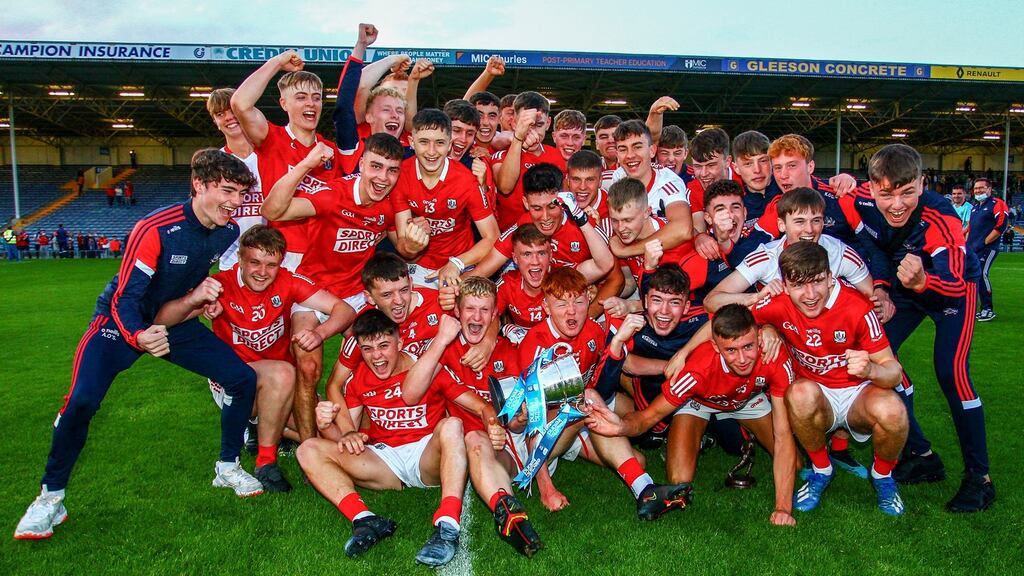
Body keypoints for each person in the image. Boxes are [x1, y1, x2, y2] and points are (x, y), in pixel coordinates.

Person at [14, 149, 263, 541]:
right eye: (227, 191)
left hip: (174, 323)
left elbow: (193, 277)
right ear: (198, 185)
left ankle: (228, 467)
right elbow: (125, 298)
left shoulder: (227, 231)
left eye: (240, 193)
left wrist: (202, 299)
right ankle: (50, 498)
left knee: (241, 378)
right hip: (120, 322)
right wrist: (138, 335)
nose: (235, 203)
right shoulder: (155, 228)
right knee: (81, 402)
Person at [155, 225, 357, 492]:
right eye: (254, 263)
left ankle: (262, 430)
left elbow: (343, 309)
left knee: (325, 427)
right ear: (239, 259)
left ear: (280, 263)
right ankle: (266, 462)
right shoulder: (222, 286)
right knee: (284, 372)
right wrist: (196, 300)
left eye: (271, 265)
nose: (263, 272)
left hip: (280, 390)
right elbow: (163, 318)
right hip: (237, 387)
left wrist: (320, 334)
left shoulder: (289, 280)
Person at [854, 144, 994, 512]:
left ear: (922, 182)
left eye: (907, 192)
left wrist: (922, 283)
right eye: (886, 193)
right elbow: (879, 245)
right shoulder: (861, 199)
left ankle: (980, 480)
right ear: (871, 188)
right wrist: (883, 286)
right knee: (877, 357)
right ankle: (922, 455)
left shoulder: (940, 215)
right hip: (907, 288)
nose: (896, 204)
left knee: (952, 373)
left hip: (950, 291)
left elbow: (954, 279)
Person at [297, 310, 497, 566]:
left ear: (399, 343)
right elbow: (348, 441)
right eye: (367, 349)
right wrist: (325, 425)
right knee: (307, 449)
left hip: (426, 456)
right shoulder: (359, 379)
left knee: (452, 425)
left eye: (383, 346)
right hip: (385, 459)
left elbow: (478, 405)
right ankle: (365, 519)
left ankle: (447, 524)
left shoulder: (428, 369)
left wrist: (494, 423)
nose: (376, 356)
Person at [585, 304, 800, 526]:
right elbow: (648, 417)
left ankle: (723, 431)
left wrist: (783, 508)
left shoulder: (773, 356)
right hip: (699, 403)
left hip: (747, 400)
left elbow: (783, 435)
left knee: (796, 466)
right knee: (680, 480)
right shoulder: (697, 370)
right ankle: (709, 431)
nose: (743, 358)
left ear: (759, 340)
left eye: (748, 347)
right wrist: (620, 426)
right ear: (716, 347)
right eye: (731, 351)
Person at [262, 133, 406, 443]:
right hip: (314, 289)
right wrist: (304, 165)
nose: (383, 178)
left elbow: (405, 249)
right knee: (308, 363)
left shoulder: (392, 205)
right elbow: (272, 211)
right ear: (361, 164)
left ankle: (373, 436)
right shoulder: (333, 195)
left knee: (383, 350)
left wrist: (418, 232)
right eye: (376, 167)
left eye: (392, 170)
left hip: (355, 291)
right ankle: (309, 445)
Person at [518, 267, 693, 517]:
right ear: (546, 307)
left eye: (578, 302)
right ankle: (645, 489)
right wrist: (546, 488)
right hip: (543, 438)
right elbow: (531, 422)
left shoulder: (592, 329)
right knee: (588, 397)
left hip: (578, 421)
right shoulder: (536, 345)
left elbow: (627, 363)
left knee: (637, 459)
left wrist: (671, 367)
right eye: (561, 305)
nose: (572, 312)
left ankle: (644, 487)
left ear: (588, 299)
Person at [750, 242, 908, 516]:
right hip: (816, 394)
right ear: (784, 286)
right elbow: (724, 315)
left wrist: (871, 370)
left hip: (858, 394)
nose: (810, 294)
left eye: (818, 282)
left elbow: (893, 371)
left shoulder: (857, 307)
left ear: (831, 277)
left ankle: (882, 476)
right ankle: (822, 470)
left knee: (894, 411)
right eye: (799, 285)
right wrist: (765, 327)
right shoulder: (775, 304)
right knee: (799, 394)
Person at [402, 277, 544, 557]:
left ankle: (492, 513)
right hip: (462, 445)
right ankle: (509, 515)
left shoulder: (511, 349)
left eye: (484, 311)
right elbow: (410, 394)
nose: (476, 318)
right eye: (469, 309)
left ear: (494, 315)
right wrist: (442, 339)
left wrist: (515, 422)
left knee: (477, 440)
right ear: (457, 311)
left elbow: (517, 418)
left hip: (504, 446)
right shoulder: (445, 349)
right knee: (468, 434)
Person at [390, 108, 500, 289]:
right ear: (412, 142)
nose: (431, 151)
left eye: (439, 143)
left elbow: (492, 236)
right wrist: (411, 245)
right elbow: (404, 247)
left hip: (460, 263)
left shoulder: (466, 180)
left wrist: (457, 263)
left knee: (477, 312)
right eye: (424, 142)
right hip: (418, 267)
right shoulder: (401, 176)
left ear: (449, 144)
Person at [206, 88, 264, 270]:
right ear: (215, 122)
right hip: (232, 263)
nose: (229, 118)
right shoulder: (213, 165)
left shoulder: (271, 156)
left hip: (272, 261)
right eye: (220, 114)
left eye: (232, 111)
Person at [491, 91, 566, 231]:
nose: (533, 132)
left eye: (539, 124)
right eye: (526, 124)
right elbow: (505, 187)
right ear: (514, 123)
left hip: (550, 236)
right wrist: (518, 138)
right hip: (513, 237)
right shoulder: (501, 155)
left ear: (548, 123)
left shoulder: (557, 155)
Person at [966, 177, 1009, 321]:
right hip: (973, 248)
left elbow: (1001, 225)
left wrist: (985, 242)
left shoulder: (997, 204)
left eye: (981, 188)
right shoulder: (975, 207)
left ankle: (988, 309)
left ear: (989, 189)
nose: (978, 191)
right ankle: (976, 307)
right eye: (976, 188)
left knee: (982, 274)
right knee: (971, 276)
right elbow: (971, 228)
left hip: (987, 248)